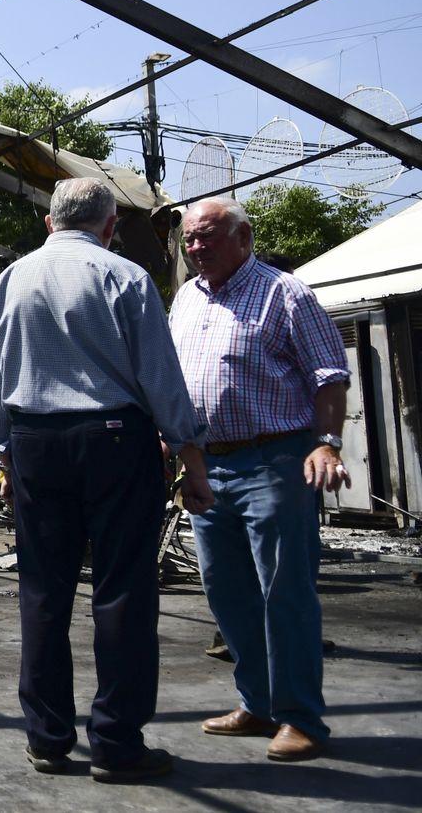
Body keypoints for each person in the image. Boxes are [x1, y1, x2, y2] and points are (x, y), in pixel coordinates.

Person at [0, 177, 213, 783]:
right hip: (115, 440)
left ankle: (47, 739)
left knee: (44, 590)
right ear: (110, 226)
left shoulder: (9, 281)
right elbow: (160, 375)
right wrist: (190, 457)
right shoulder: (125, 277)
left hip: (35, 443)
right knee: (123, 591)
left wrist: (6, 458)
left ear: (48, 223)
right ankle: (115, 743)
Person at [168, 198, 352, 763]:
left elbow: (329, 374)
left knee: (284, 594)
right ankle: (259, 703)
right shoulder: (185, 298)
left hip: (273, 461)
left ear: (242, 238)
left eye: (207, 237)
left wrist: (327, 442)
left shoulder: (284, 292)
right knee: (227, 594)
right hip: (206, 466)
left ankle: (302, 719)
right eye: (190, 240)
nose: (196, 248)